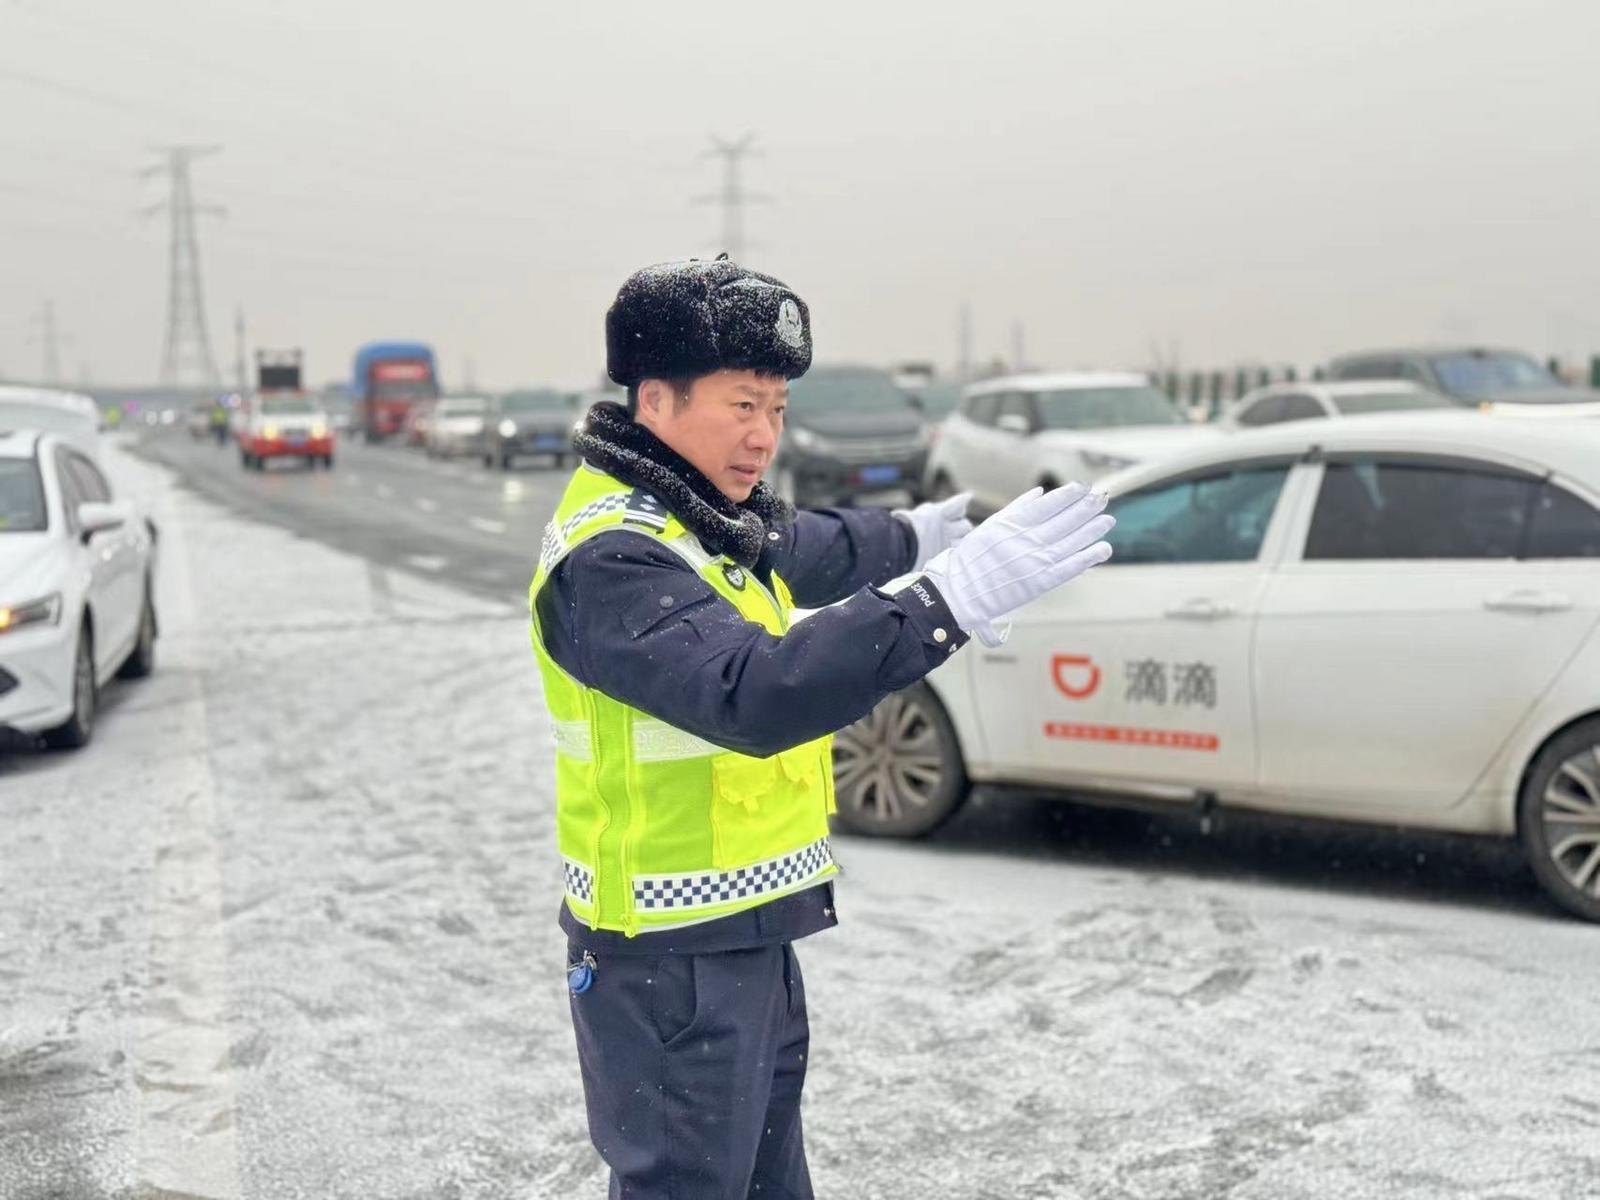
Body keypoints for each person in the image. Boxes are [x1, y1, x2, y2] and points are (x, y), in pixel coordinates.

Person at [529, 256, 1114, 1199]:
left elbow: (806, 547)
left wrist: (923, 534)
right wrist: (942, 602)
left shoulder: (704, 518)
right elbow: (752, 692)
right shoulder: (614, 557)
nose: (765, 436)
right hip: (667, 965)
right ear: (655, 399)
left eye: (779, 410)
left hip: (743, 938)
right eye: (743, 404)